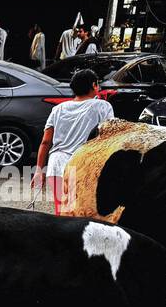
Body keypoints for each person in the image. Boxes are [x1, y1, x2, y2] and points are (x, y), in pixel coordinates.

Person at [32, 68, 113, 215]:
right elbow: (109, 136)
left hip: (56, 165)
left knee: (62, 213)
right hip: (83, 164)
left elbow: (45, 142)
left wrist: (39, 170)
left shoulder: (58, 109)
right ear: (94, 85)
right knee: (81, 214)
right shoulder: (102, 106)